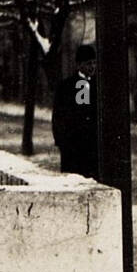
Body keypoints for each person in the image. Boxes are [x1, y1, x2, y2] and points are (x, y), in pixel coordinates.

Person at [52, 44, 99, 180]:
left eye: (94, 63)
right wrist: (62, 141)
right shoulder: (66, 86)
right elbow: (58, 116)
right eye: (88, 63)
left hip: (92, 148)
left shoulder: (98, 86)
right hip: (72, 148)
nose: (92, 67)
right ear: (79, 65)